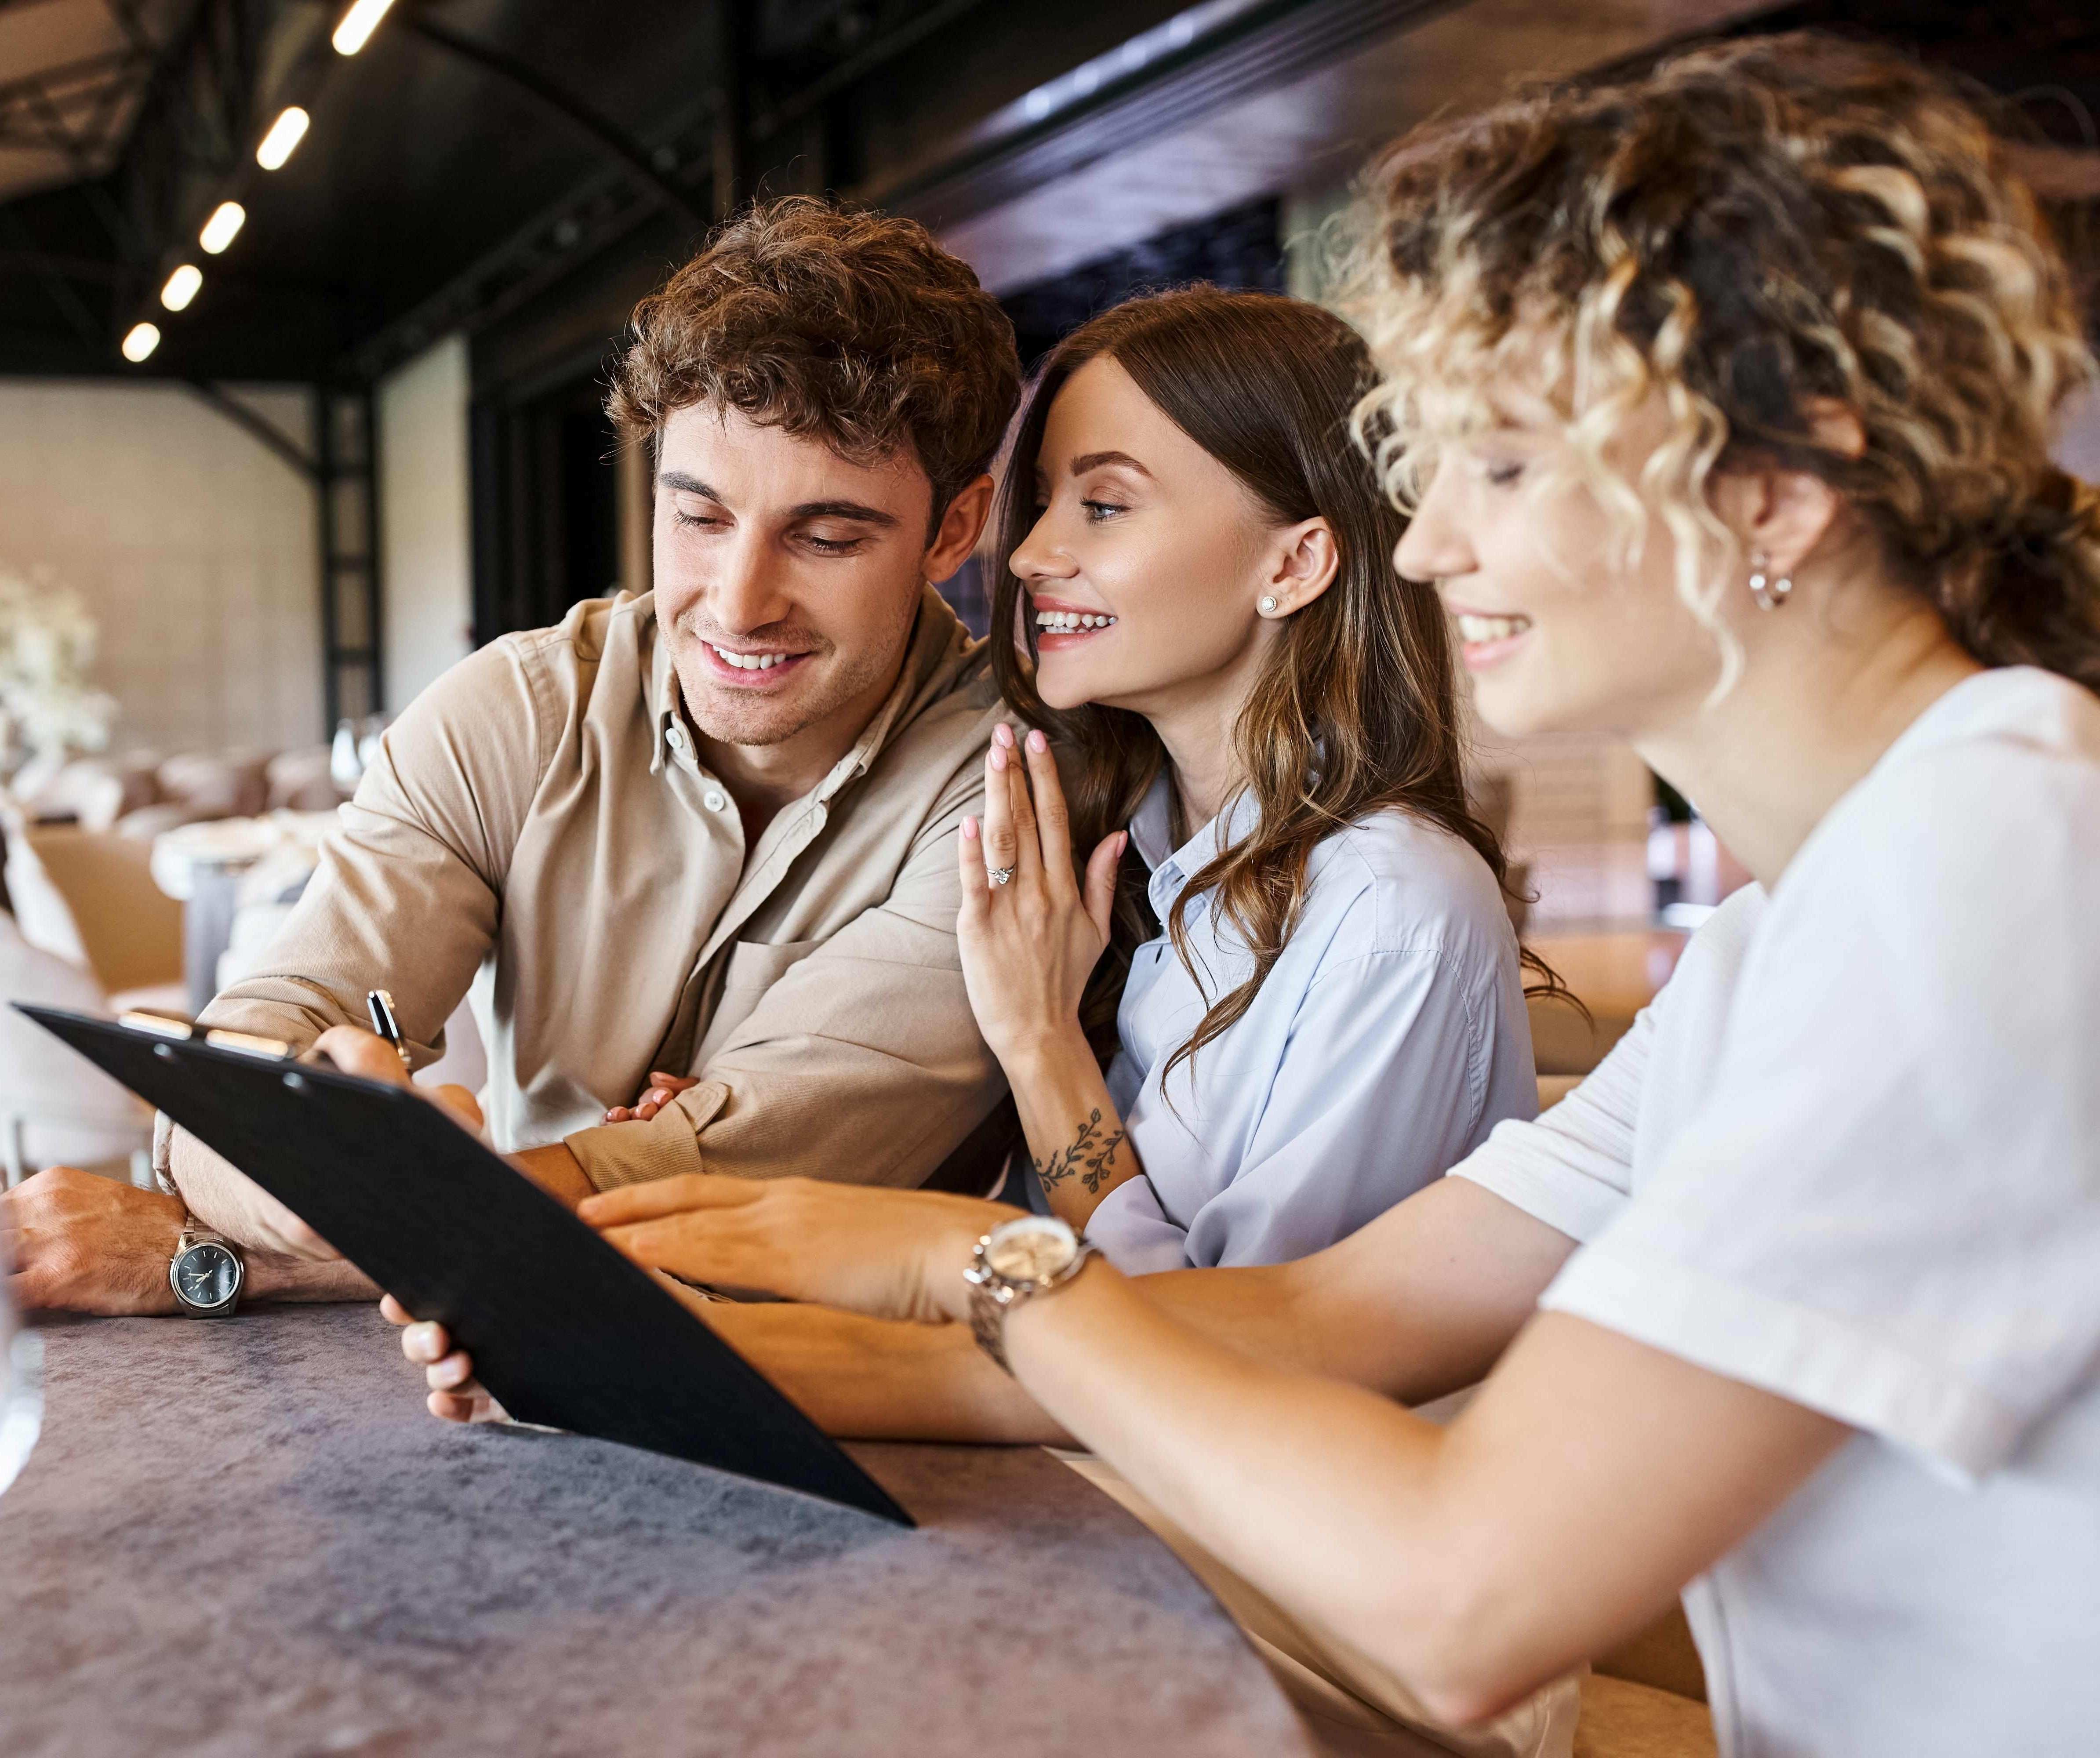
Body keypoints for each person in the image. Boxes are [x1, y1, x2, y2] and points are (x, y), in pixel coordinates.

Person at [402, 34, 2100, 1758]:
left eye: (1503, 464)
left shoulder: (1987, 873)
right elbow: (1319, 1313)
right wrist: (653, 1353)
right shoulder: (1797, 925)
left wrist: (967, 1259)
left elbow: (1463, 1601)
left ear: (1774, 489)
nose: (1425, 544)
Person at [4, 196, 1025, 1315]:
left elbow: (731, 1192)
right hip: (485, 1359)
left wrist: (218, 1253)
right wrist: (289, 1163)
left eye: (825, 537)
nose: (738, 603)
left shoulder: (1006, 784)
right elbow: (261, 1036)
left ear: (953, 528)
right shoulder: (519, 711)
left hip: (862, 1383)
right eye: (698, 518)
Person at [620, 285, 1538, 1275]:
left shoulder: (1391, 911)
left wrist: (1040, 1043)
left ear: (1294, 563)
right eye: (1046, 500)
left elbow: (1230, 1345)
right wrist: (762, 1119)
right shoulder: (1108, 841)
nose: (1029, 553)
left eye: (1102, 506)